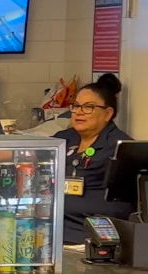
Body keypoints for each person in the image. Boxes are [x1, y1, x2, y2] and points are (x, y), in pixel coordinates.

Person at [55, 73, 134, 244]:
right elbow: (33, 153)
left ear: (107, 113)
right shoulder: (65, 138)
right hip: (56, 230)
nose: (78, 112)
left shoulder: (120, 147)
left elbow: (124, 205)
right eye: (76, 106)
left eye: (88, 107)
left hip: (90, 237)